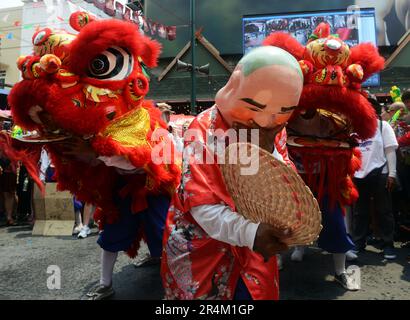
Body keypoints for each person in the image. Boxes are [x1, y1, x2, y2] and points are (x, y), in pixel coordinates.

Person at [161, 46, 304, 300]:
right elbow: (201, 204)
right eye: (256, 108)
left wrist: (269, 149)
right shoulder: (203, 129)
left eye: (281, 113)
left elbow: (285, 186)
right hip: (204, 249)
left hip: (255, 248)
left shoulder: (275, 129)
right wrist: (250, 233)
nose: (265, 121)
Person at [352, 95, 399, 260]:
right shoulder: (354, 129)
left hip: (380, 173)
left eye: (370, 107)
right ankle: (359, 242)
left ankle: (388, 245)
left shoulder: (382, 126)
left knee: (384, 211)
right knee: (359, 212)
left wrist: (392, 173)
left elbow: (390, 151)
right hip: (358, 175)